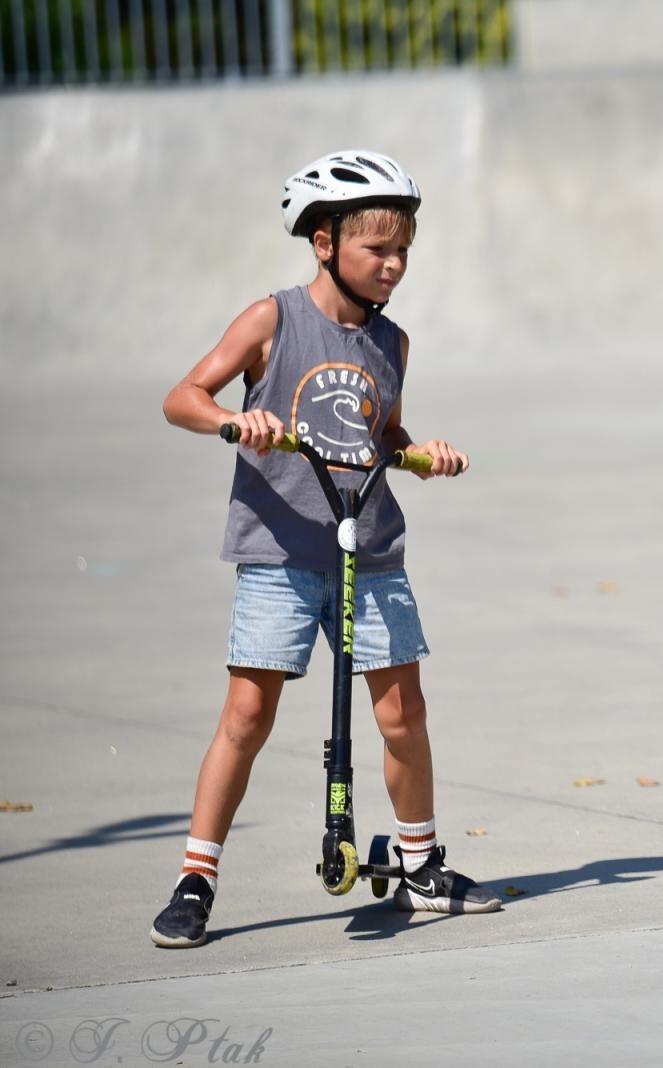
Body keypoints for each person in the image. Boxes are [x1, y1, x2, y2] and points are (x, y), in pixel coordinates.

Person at [150, 149, 500, 948]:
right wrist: (236, 422)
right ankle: (196, 878)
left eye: (404, 249)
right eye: (378, 248)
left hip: (369, 545)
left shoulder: (392, 343)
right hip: (279, 549)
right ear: (323, 242)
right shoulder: (272, 320)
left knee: (402, 711)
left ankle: (419, 864)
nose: (395, 264)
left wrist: (422, 451)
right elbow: (183, 397)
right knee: (247, 711)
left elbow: (384, 433)